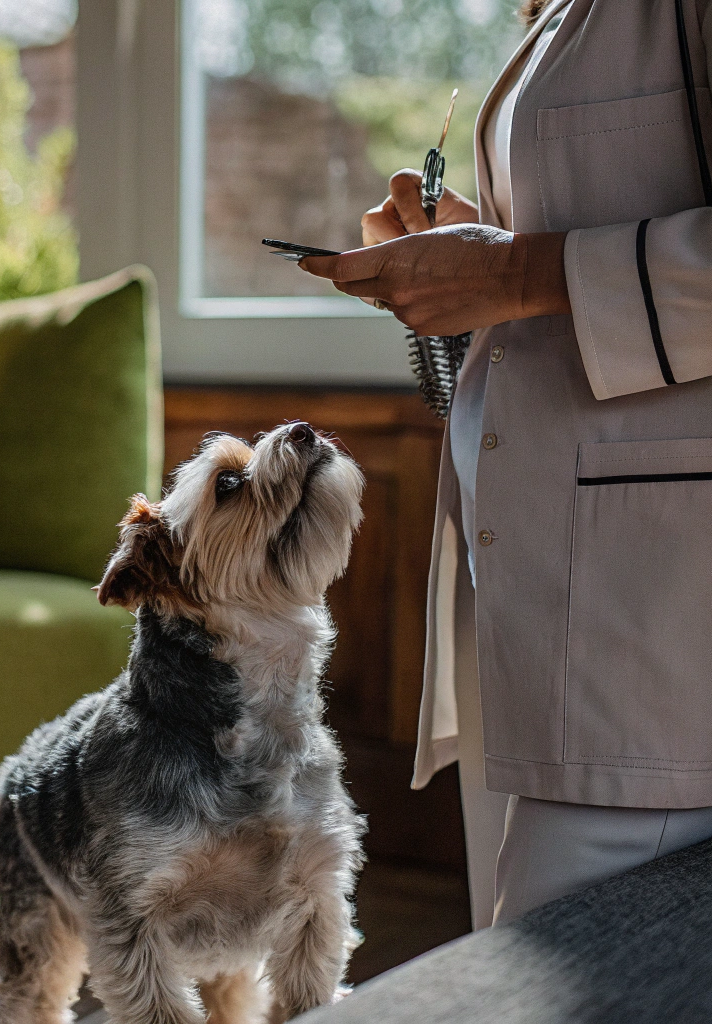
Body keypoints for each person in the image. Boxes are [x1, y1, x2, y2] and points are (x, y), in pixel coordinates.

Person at [300, 0, 712, 930]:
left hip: (652, 621)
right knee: (507, 948)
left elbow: (549, 273)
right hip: (529, 581)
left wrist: (509, 272)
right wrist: (466, 247)